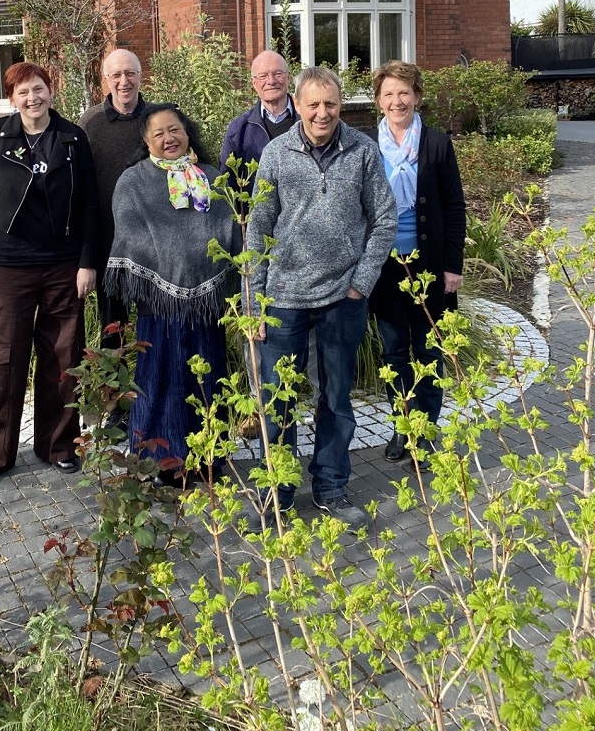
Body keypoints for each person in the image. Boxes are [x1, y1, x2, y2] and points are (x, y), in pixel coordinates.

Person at [248, 66, 397, 529]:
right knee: (279, 400)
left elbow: (385, 219)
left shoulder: (363, 152)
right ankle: (279, 490)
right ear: (296, 104)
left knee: (336, 399)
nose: (322, 113)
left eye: (330, 104)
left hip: (342, 298)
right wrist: (254, 301)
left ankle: (331, 486)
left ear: (341, 105)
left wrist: (361, 283)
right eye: (312, 104)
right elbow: (258, 229)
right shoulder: (276, 154)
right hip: (284, 300)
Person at [0, 62, 98, 488]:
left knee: (63, 355)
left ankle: (59, 447)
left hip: (63, 264)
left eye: (38, 89)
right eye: (23, 92)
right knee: (3, 357)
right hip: (9, 263)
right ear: (12, 99)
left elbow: (92, 205)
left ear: (50, 91)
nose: (32, 98)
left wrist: (87, 262)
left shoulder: (74, 139)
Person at [105, 104, 237, 483]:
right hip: (156, 301)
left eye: (175, 129)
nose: (169, 138)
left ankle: (208, 457)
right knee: (161, 379)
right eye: (159, 133)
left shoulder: (211, 177)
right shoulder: (134, 181)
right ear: (146, 140)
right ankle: (163, 462)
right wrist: (167, 265)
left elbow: (229, 231)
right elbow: (130, 235)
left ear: (187, 132)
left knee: (206, 377)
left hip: (206, 302)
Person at [369, 60, 466, 467]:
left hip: (427, 264)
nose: (397, 101)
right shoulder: (366, 146)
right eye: (389, 93)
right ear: (378, 101)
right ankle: (402, 427)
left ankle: (425, 431)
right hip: (385, 267)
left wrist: (452, 266)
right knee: (394, 352)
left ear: (417, 97)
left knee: (428, 351)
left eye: (404, 92)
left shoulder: (438, 144)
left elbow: (454, 206)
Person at [78, 49, 146, 348]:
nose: (123, 81)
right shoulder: (90, 123)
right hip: (108, 243)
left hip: (151, 245)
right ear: (105, 79)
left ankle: (150, 391)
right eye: (116, 75)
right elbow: (79, 187)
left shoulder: (158, 118)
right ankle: (111, 391)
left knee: (152, 326)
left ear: (140, 77)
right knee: (112, 331)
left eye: (130, 73)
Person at [219, 51, 298, 184]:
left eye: (278, 74)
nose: (271, 81)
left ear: (288, 78)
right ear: (254, 83)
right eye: (263, 76)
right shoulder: (239, 129)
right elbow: (227, 181)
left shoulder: (308, 120)